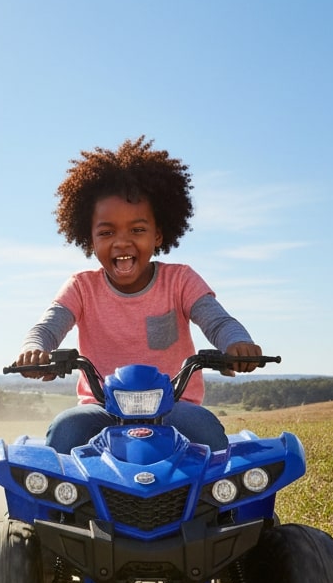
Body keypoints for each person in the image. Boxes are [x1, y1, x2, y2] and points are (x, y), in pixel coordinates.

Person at [15, 136, 263, 453]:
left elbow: (218, 321)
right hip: (102, 409)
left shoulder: (181, 280)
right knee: (66, 429)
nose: (122, 242)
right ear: (89, 239)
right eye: (106, 232)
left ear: (158, 234)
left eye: (137, 230)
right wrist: (34, 349)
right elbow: (48, 327)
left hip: (174, 407)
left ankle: (219, 504)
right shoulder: (81, 287)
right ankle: (62, 504)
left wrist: (236, 344)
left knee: (208, 433)